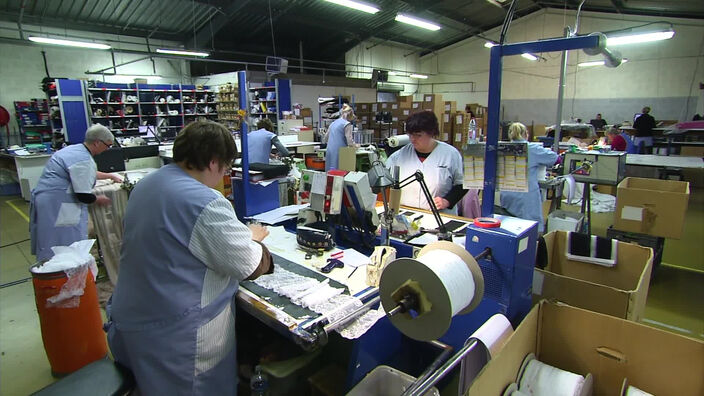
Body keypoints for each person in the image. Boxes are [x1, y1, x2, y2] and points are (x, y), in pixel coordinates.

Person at [107, 121, 273, 395]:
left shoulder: (148, 184)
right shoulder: (204, 201)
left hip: (131, 322)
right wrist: (252, 238)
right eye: (225, 168)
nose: (223, 176)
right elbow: (248, 264)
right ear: (212, 162)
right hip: (176, 340)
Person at [29, 124, 122, 261]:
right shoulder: (84, 159)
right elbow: (84, 195)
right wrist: (98, 200)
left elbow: (85, 173)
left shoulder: (75, 151)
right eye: (108, 145)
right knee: (64, 246)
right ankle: (63, 275)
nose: (107, 149)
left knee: (51, 240)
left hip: (48, 199)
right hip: (59, 205)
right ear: (97, 142)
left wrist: (110, 176)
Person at [385, 111, 466, 215]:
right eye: (410, 135)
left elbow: (463, 184)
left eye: (418, 135)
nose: (413, 139)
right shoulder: (399, 156)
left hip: (439, 216)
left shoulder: (451, 154)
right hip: (405, 214)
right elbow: (384, 181)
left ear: (431, 133)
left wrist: (447, 200)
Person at [500, 122, 558, 233]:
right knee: (528, 231)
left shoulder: (504, 148)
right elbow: (555, 159)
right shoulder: (532, 148)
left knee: (509, 228)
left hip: (507, 195)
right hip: (526, 197)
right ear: (526, 134)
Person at [323, 103, 357, 171]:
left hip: (329, 150)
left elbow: (325, 138)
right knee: (339, 172)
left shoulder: (333, 123)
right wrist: (356, 145)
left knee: (330, 172)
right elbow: (350, 142)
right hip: (340, 152)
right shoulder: (347, 124)